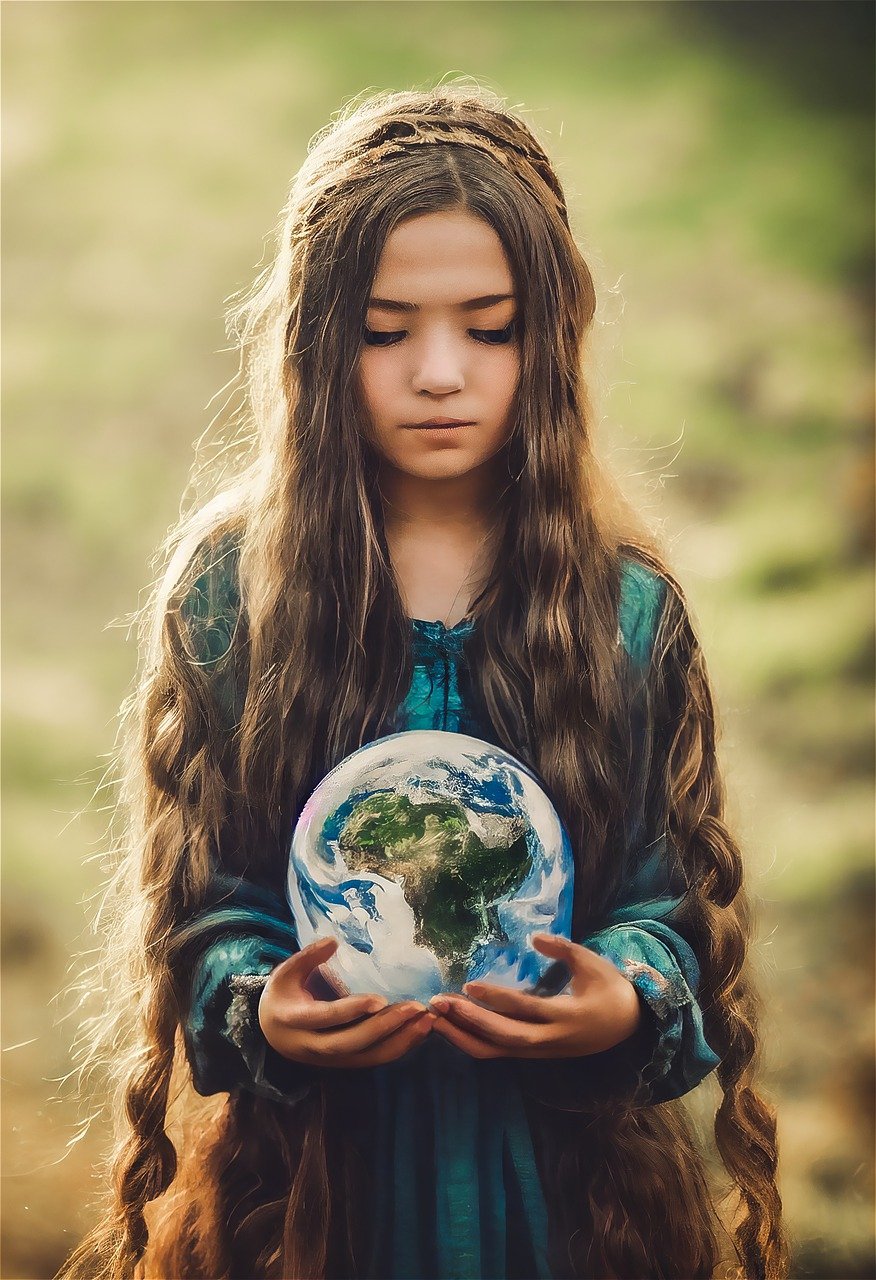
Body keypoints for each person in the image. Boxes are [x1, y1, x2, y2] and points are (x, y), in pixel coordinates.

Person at [61, 83, 788, 1280]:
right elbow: (214, 902)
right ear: (314, 339)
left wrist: (623, 1002)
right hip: (306, 1202)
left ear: (548, 335)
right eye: (387, 329)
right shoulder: (234, 594)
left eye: (487, 326)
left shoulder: (623, 608)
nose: (439, 371)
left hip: (571, 1200)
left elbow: (662, 902)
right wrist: (262, 1006)